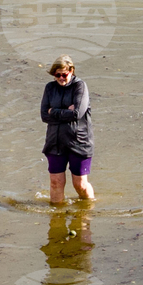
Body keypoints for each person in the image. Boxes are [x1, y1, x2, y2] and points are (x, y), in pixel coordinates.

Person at [40, 54, 95, 204]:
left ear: (71, 71)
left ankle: (87, 212)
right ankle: (57, 217)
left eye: (64, 74)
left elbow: (77, 114)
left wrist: (55, 111)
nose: (61, 78)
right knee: (55, 183)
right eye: (57, 75)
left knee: (80, 185)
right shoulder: (50, 88)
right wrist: (66, 111)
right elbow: (44, 115)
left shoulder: (80, 86)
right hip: (55, 142)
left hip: (79, 142)